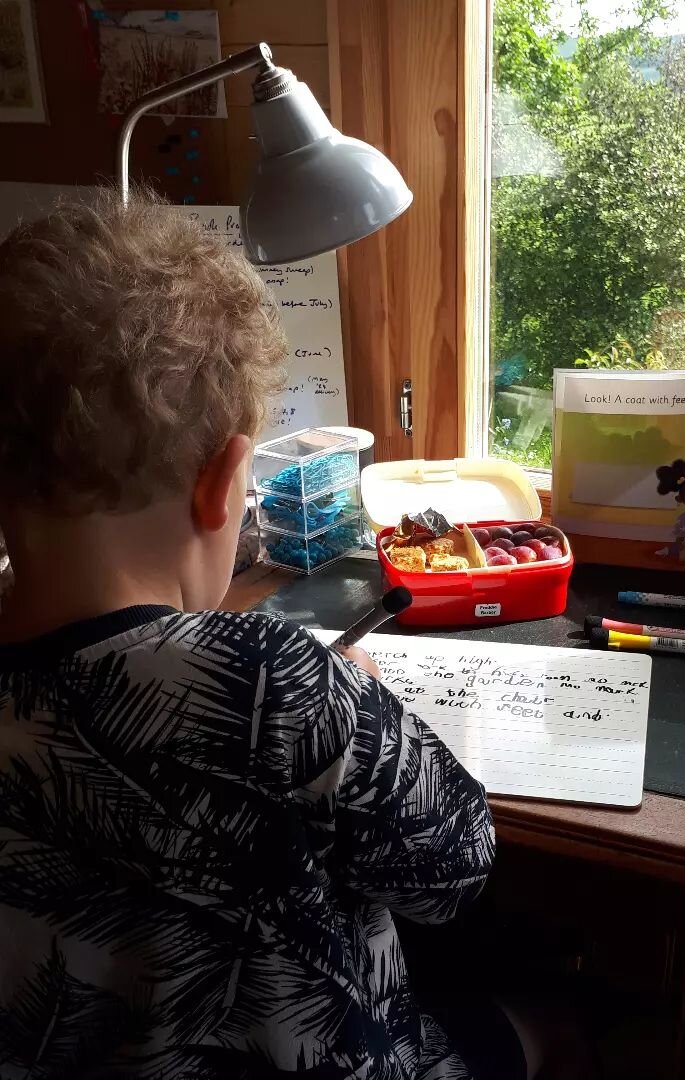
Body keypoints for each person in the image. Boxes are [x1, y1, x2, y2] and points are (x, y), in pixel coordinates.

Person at [0, 191, 528, 1079]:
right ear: (225, 484)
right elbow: (455, 871)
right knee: (543, 1017)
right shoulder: (273, 683)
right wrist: (357, 698)